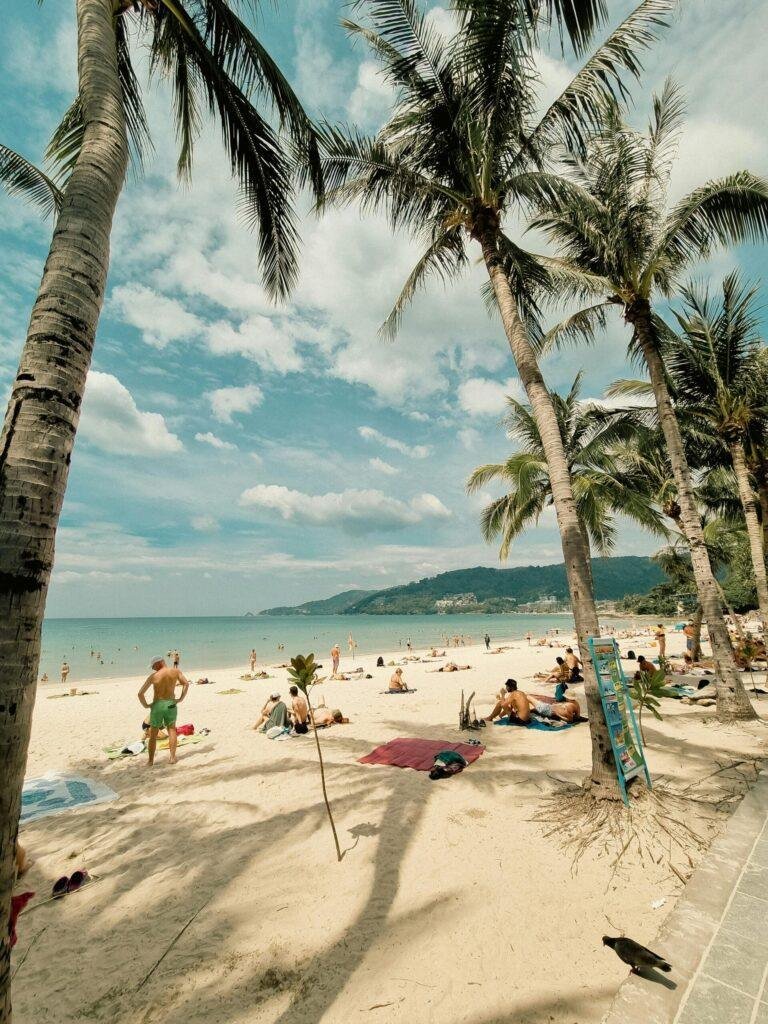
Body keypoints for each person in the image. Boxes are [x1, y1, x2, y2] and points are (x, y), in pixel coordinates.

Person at [138, 656, 190, 766]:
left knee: (153, 734)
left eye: (153, 666)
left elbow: (140, 693)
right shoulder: (175, 671)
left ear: (159, 663)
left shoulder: (153, 676)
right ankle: (172, 758)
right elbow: (186, 683)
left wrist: (146, 705)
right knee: (171, 730)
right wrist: (180, 699)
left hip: (157, 705)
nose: (153, 669)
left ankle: (150, 761)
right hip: (171, 704)